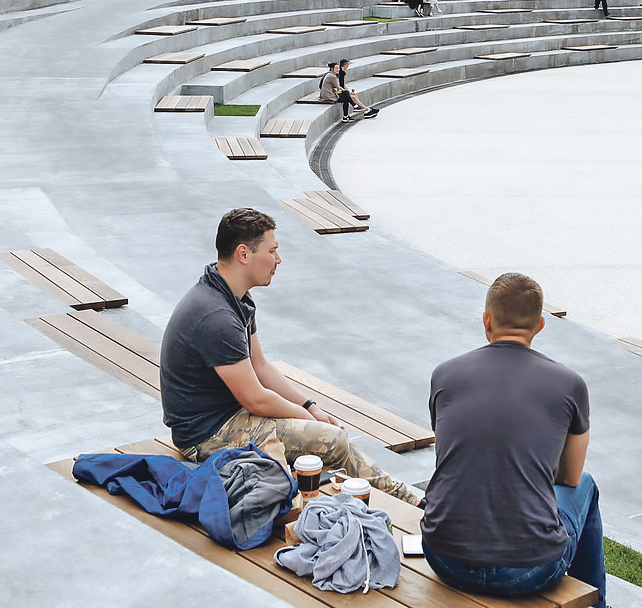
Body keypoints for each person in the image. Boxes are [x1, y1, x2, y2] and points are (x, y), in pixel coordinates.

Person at [160, 208, 419, 504]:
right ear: (243, 253)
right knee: (333, 440)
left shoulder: (233, 296)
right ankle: (408, 502)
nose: (278, 260)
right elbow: (255, 398)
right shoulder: (216, 316)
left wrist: (311, 407)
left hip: (228, 417)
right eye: (272, 251)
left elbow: (261, 367)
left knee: (329, 434)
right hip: (206, 437)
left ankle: (398, 496)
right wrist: (308, 420)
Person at [421, 273, 605, 608]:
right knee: (587, 485)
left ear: (486, 319)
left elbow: (453, 452)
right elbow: (570, 477)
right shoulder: (570, 384)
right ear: (540, 325)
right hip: (530, 569)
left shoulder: (445, 374)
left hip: (446, 558)